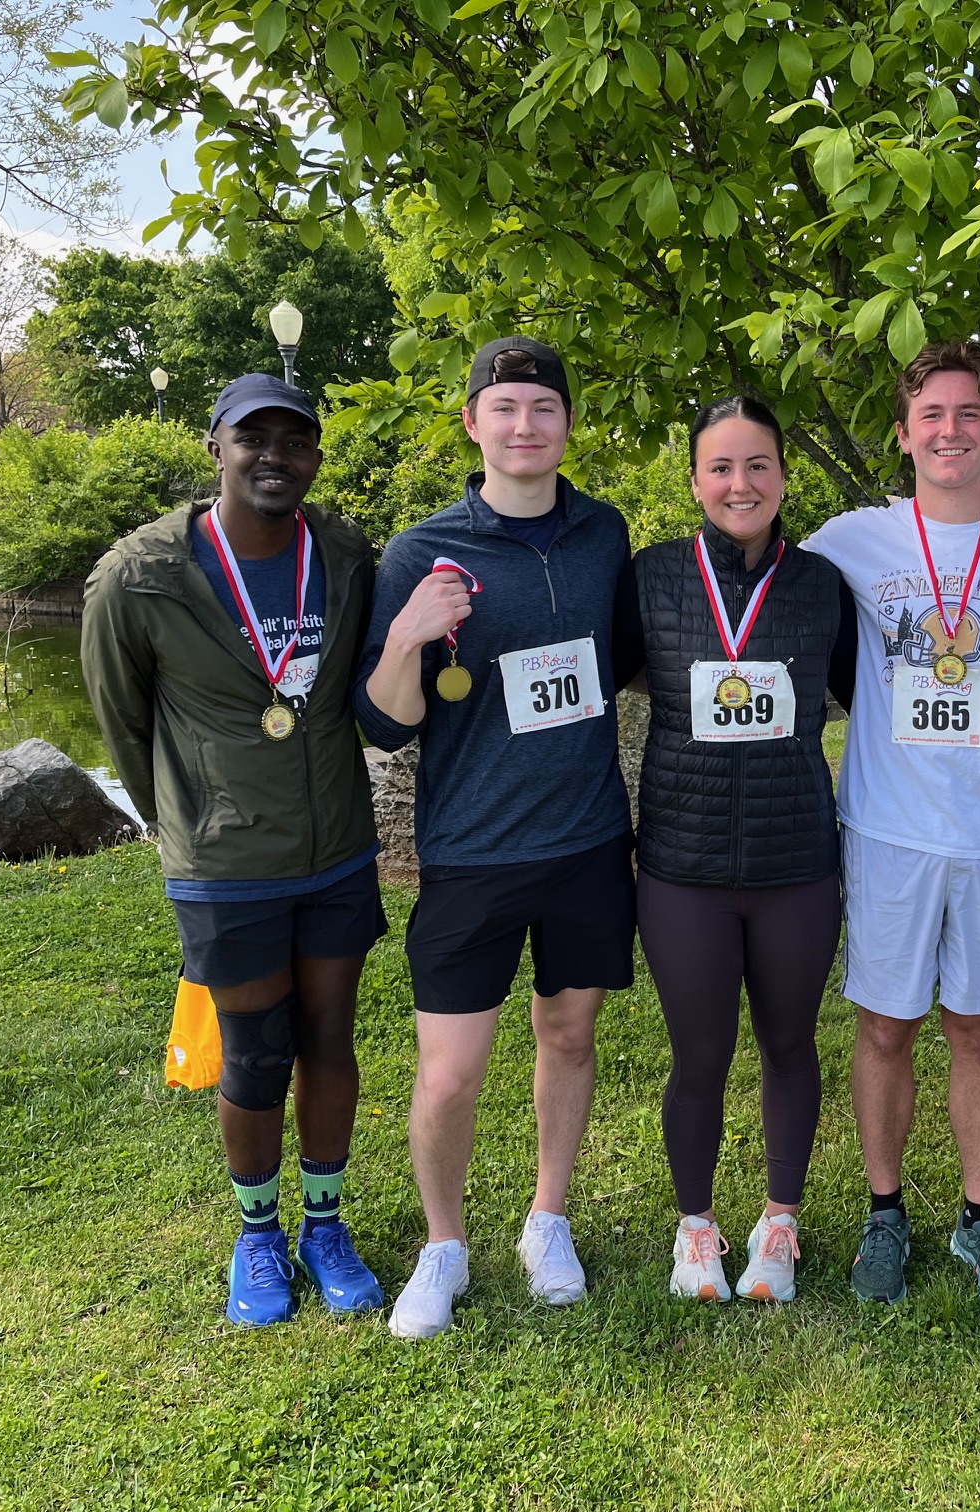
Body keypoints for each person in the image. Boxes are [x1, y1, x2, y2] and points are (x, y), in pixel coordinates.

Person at [82, 373, 388, 1327]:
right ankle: (259, 1234)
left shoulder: (343, 551)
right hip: (226, 865)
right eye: (251, 438)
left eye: (294, 441)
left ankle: (324, 1225)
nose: (273, 456)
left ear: (315, 458)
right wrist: (193, 821)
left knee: (329, 1038)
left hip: (336, 845)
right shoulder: (139, 575)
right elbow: (125, 728)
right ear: (213, 446)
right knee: (257, 1054)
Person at [354, 336, 641, 1338]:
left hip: (589, 841)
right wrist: (405, 636)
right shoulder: (420, 552)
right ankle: (444, 1246)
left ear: (567, 425)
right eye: (506, 408)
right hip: (472, 852)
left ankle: (547, 1218)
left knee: (569, 1036)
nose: (526, 426)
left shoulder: (604, 534)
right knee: (450, 1072)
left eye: (544, 408)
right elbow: (387, 721)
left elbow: (634, 662)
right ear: (473, 423)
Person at [802, 341, 980, 1321]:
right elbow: (760, 600)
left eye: (970, 414)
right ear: (905, 431)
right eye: (932, 414)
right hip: (888, 830)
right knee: (883, 1026)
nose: (950, 430)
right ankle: (885, 1212)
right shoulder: (851, 540)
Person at [629, 395, 858, 1303]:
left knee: (790, 1043)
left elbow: (861, 692)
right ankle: (695, 1229)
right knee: (699, 1053)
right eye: (720, 467)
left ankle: (779, 1223)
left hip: (796, 860)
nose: (740, 483)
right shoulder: (649, 577)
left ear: (782, 477)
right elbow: (606, 670)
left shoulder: (821, 584)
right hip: (682, 866)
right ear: (694, 481)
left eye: (758, 464)